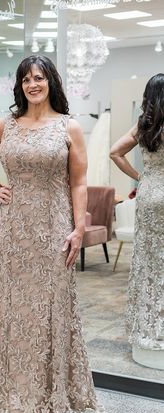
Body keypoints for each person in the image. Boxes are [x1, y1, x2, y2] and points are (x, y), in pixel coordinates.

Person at [0, 55, 101, 413]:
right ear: (20, 85)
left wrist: (78, 228)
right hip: (15, 230)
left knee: (52, 306)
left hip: (54, 227)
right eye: (27, 79)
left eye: (39, 78)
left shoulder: (69, 127)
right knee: (15, 307)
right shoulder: (6, 125)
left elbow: (78, 182)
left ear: (51, 82)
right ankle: (15, 391)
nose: (33, 84)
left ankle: (54, 392)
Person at [110, 73, 164, 350]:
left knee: (149, 259)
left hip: (150, 192)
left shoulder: (144, 125)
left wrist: (140, 176)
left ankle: (150, 323)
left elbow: (115, 152)